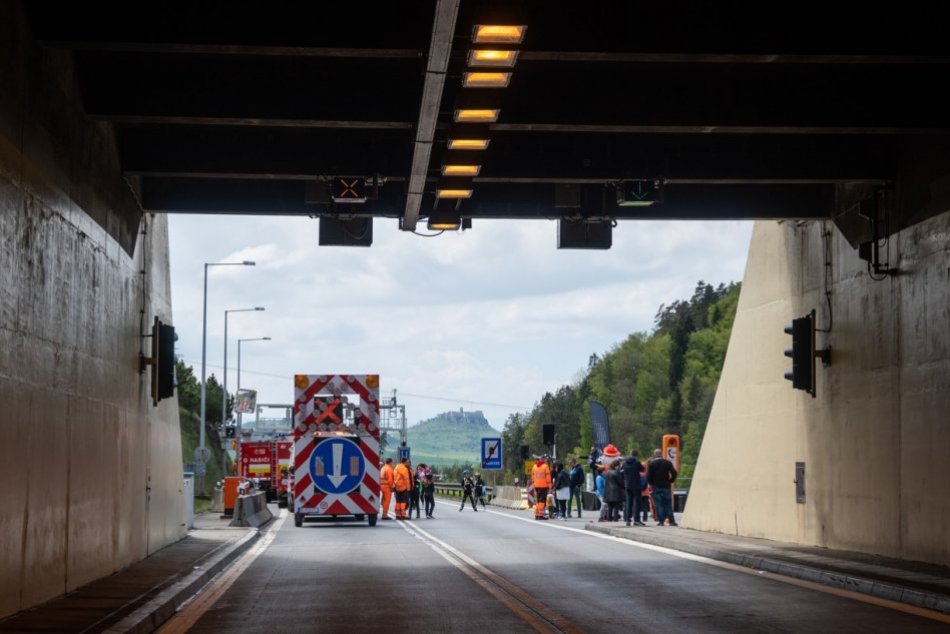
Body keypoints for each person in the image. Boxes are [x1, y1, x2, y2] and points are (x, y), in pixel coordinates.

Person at [647, 449, 678, 526]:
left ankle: (661, 521)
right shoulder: (667, 462)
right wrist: (671, 480)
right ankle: (672, 521)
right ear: (661, 454)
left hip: (656, 486)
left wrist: (652, 483)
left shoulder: (652, 464)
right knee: (668, 504)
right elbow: (674, 472)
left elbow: (648, 476)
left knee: (659, 504)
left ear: (654, 455)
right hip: (666, 486)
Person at [621, 451, 646, 526]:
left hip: (627, 485)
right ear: (636, 455)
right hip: (636, 485)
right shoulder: (637, 462)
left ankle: (628, 520)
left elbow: (621, 472)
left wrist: (625, 480)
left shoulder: (624, 463)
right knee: (637, 503)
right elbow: (643, 469)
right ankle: (636, 520)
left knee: (629, 503)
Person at [530, 456, 552, 520]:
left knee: (538, 500)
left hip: (537, 486)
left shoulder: (534, 466)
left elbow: (532, 476)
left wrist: (535, 482)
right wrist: (550, 485)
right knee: (542, 501)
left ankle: (537, 515)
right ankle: (540, 515)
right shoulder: (545, 466)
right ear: (543, 460)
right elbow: (548, 477)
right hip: (544, 486)